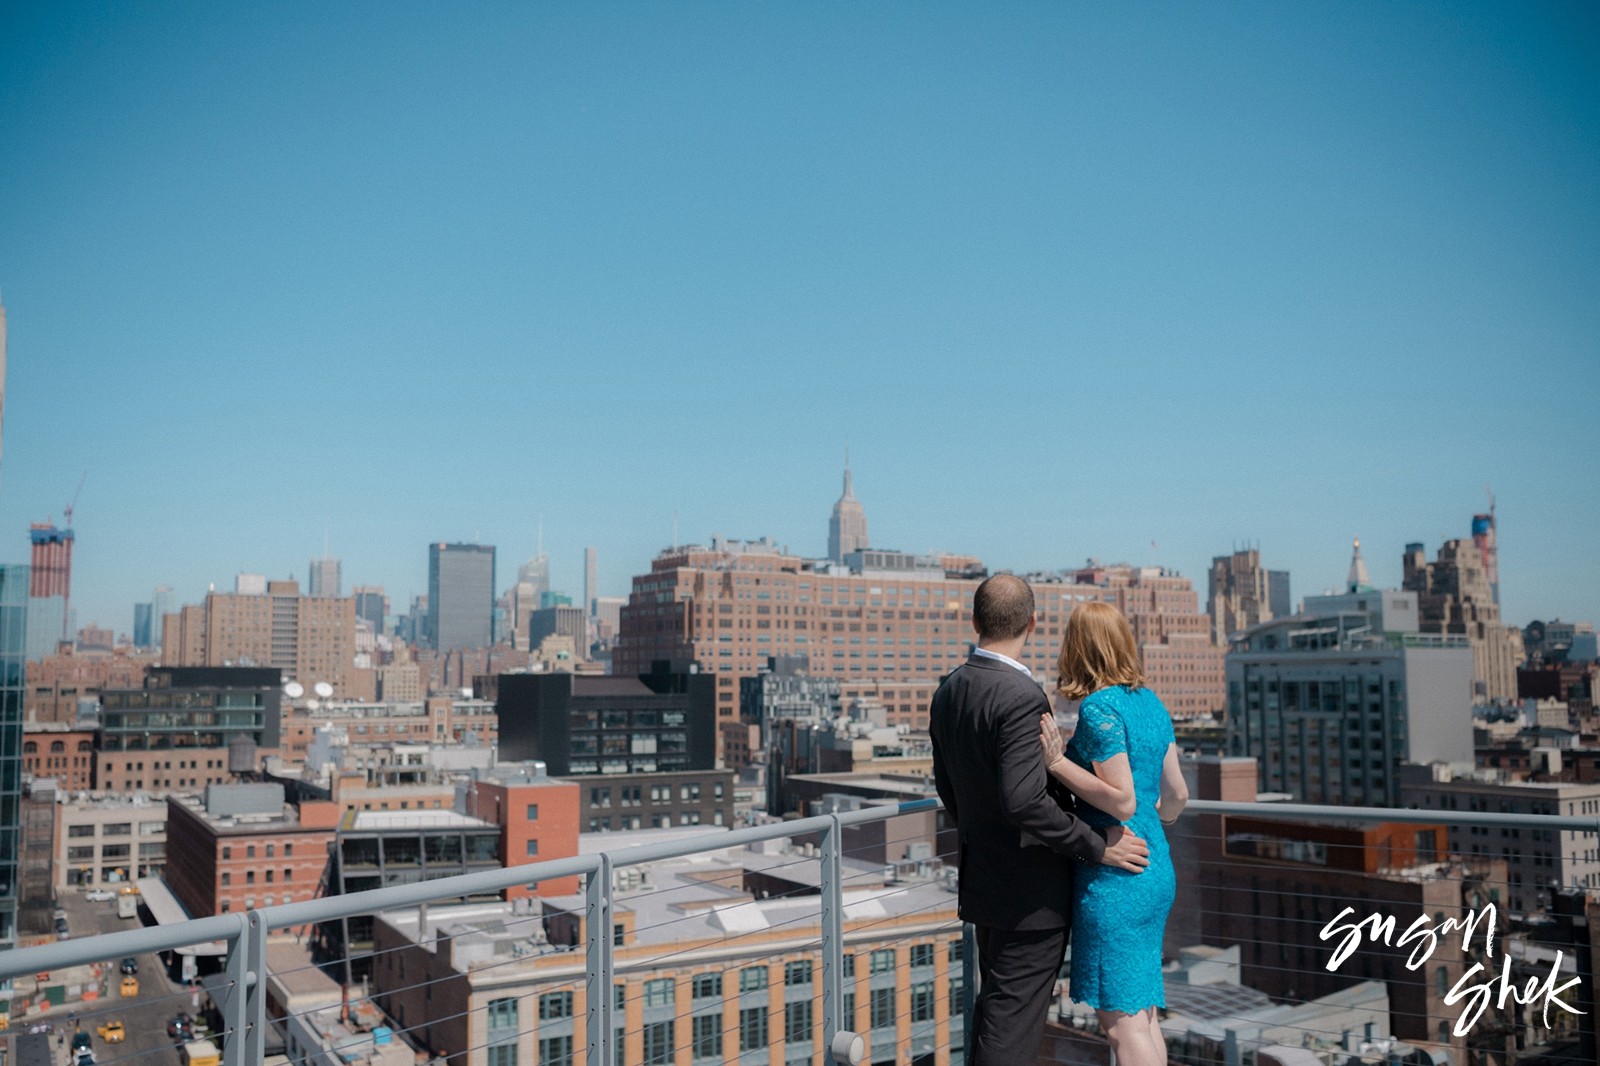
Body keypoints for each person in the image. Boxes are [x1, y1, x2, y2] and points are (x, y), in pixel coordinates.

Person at [930, 574, 1151, 1066]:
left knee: (996, 1016)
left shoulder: (949, 691)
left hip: (984, 878)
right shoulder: (1020, 695)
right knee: (1012, 1030)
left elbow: (949, 789)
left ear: (974, 621)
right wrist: (1098, 845)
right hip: (1029, 895)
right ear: (1033, 623)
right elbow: (1025, 800)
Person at [1038, 600, 1189, 1066]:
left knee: (1121, 1027)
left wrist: (1057, 762)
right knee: (1142, 1014)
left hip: (1118, 878)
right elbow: (1178, 794)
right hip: (1155, 867)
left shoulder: (1100, 707)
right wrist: (1154, 821)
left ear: (1078, 648)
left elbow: (1121, 799)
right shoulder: (1151, 703)